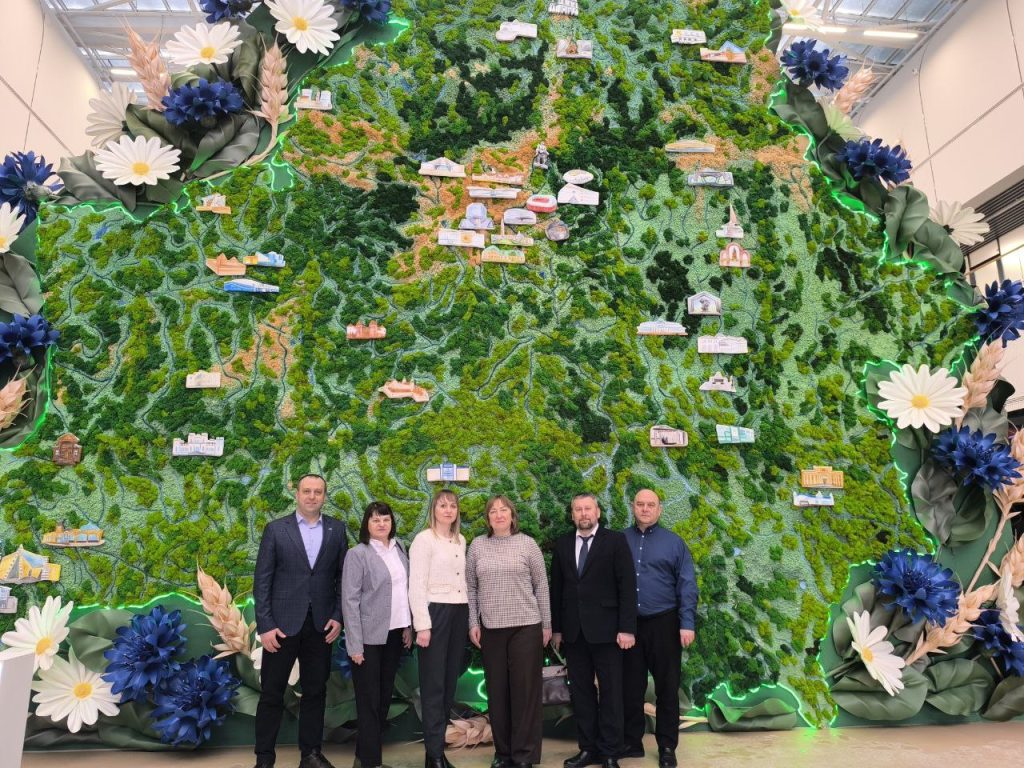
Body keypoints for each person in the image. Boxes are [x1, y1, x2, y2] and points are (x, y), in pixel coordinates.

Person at [253, 474, 348, 768]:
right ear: (297, 494)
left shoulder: (336, 529)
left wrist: (338, 617)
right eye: (307, 491)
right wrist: (265, 626)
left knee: (315, 692)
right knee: (272, 693)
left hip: (321, 626)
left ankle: (310, 755)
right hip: (281, 627)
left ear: (324, 496)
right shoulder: (276, 530)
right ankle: (264, 758)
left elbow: (343, 578)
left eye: (318, 492)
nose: (312, 496)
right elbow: (262, 581)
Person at [551, 493, 637, 768]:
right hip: (574, 634)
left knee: (611, 692)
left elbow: (627, 586)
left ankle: (610, 752)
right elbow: (557, 590)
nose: (583, 513)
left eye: (588, 508)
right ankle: (587, 749)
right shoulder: (563, 544)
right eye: (578, 509)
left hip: (609, 633)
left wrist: (627, 628)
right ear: (572, 515)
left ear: (597, 512)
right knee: (582, 693)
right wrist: (557, 629)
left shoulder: (615, 541)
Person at [466, 496, 551, 768]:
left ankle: (524, 755)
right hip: (491, 628)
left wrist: (546, 624)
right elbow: (471, 587)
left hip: (526, 626)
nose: (499, 514)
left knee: (525, 693)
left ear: (512, 516)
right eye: (493, 511)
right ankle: (503, 753)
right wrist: (473, 622)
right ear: (488, 518)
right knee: (497, 692)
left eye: (504, 510)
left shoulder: (528, 544)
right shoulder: (477, 546)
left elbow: (541, 585)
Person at [621, 489, 698, 767]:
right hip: (629, 625)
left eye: (650, 505)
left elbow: (687, 585)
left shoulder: (674, 543)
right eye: (640, 504)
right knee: (630, 687)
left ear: (659, 509)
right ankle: (632, 742)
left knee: (667, 687)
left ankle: (667, 746)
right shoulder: (619, 541)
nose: (645, 509)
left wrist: (687, 623)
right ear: (633, 507)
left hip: (665, 623)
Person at [342, 501, 414, 768]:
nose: (381, 524)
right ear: (367, 525)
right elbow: (349, 601)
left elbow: (404, 592)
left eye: (385, 519)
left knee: (383, 699)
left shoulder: (400, 547)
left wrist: (408, 626)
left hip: (394, 634)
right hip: (368, 639)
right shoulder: (357, 554)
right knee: (369, 701)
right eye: (375, 520)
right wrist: (355, 645)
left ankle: (363, 758)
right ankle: (372, 762)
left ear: (392, 522)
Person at [409, 490, 469, 768]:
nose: (448, 510)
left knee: (448, 685)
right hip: (435, 614)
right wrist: (422, 625)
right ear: (433, 509)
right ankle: (433, 756)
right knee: (433, 686)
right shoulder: (424, 540)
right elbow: (416, 585)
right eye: (442, 505)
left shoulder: (460, 540)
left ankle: (436, 751)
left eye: (452, 506)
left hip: (459, 613)